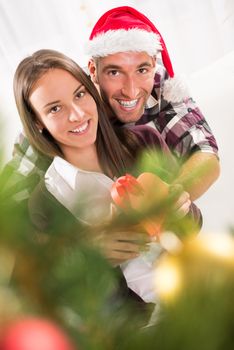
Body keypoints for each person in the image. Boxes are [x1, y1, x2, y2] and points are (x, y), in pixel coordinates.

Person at [11, 49, 201, 306]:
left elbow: (194, 226)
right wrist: (93, 257)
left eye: (80, 94)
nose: (77, 114)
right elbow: (68, 298)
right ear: (37, 122)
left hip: (201, 292)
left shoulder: (144, 140)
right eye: (55, 108)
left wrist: (180, 207)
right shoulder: (44, 203)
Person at [86, 6, 220, 201]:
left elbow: (205, 154)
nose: (131, 90)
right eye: (114, 72)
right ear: (93, 70)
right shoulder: (70, 96)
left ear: (153, 63)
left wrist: (164, 203)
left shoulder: (161, 83)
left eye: (142, 70)